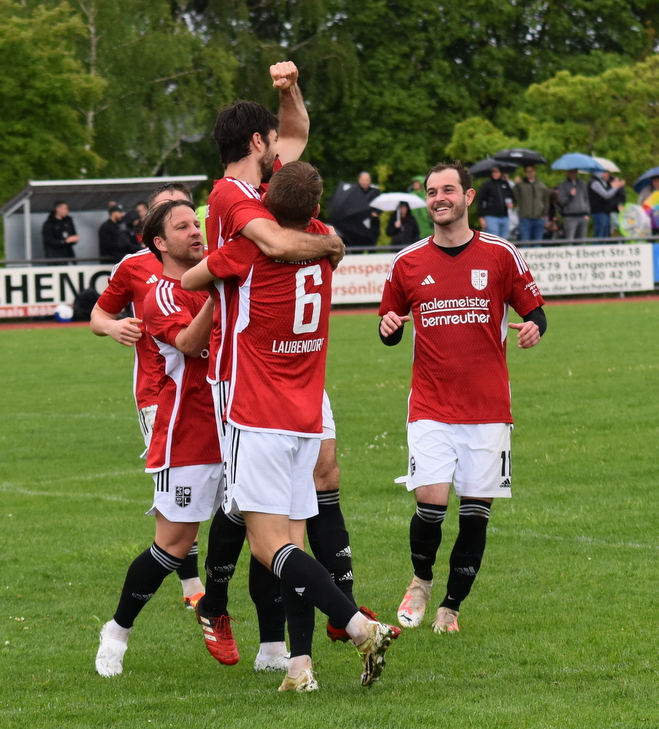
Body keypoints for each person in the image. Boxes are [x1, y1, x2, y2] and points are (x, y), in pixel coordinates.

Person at [183, 161, 394, 691]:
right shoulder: (325, 240)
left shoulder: (248, 250)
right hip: (307, 416)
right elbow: (309, 233)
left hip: (258, 416)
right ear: (316, 209)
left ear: (265, 205)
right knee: (294, 540)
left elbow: (189, 278)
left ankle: (359, 627)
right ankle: (300, 665)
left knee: (267, 547)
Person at [378, 162, 547, 634]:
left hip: (488, 409)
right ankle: (421, 581)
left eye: (448, 189)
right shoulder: (407, 261)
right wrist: (388, 327)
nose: (439, 198)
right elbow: (389, 324)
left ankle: (450, 608)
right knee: (430, 506)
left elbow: (535, 311)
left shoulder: (501, 254)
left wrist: (534, 327)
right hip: (430, 406)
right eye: (432, 192)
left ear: (468, 197)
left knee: (474, 517)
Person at [94, 199, 220, 678]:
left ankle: (274, 648)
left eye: (195, 221)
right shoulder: (151, 282)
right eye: (181, 225)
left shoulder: (219, 265)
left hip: (240, 422)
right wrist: (114, 326)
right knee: (174, 540)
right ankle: (119, 629)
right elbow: (100, 317)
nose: (195, 230)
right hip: (177, 415)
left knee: (261, 532)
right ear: (159, 240)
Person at [477, 165, 514, 238]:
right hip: (491, 217)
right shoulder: (487, 185)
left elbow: (511, 196)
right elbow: (480, 200)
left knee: (504, 239)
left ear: (501, 173)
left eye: (497, 172)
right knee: (493, 238)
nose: (495, 174)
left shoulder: (505, 184)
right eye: (493, 172)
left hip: (505, 216)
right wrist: (481, 217)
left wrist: (511, 203)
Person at [514, 165, 549, 242]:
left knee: (538, 242)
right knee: (524, 242)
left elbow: (546, 201)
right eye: (527, 171)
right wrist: (516, 185)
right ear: (525, 173)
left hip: (539, 218)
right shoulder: (521, 185)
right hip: (525, 218)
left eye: (531, 171)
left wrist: (544, 215)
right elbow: (515, 197)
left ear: (535, 172)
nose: (530, 173)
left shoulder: (541, 185)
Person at [589, 171, 626, 239]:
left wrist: (613, 186)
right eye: (604, 172)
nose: (607, 174)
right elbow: (606, 194)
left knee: (606, 236)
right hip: (599, 212)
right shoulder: (595, 182)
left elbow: (618, 195)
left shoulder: (604, 181)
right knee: (600, 235)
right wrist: (616, 187)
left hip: (606, 212)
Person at [557, 169, 589, 240]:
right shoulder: (563, 185)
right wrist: (570, 195)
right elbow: (562, 201)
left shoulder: (582, 184)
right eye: (571, 172)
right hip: (570, 217)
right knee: (570, 240)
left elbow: (586, 199)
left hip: (582, 216)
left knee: (582, 240)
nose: (572, 174)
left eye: (574, 172)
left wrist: (587, 213)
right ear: (567, 173)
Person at [357, 171, 381, 244]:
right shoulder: (355, 192)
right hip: (359, 224)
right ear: (359, 180)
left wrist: (376, 213)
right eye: (363, 180)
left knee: (372, 244)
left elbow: (381, 205)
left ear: (370, 181)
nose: (365, 182)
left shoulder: (375, 191)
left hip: (373, 224)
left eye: (366, 180)